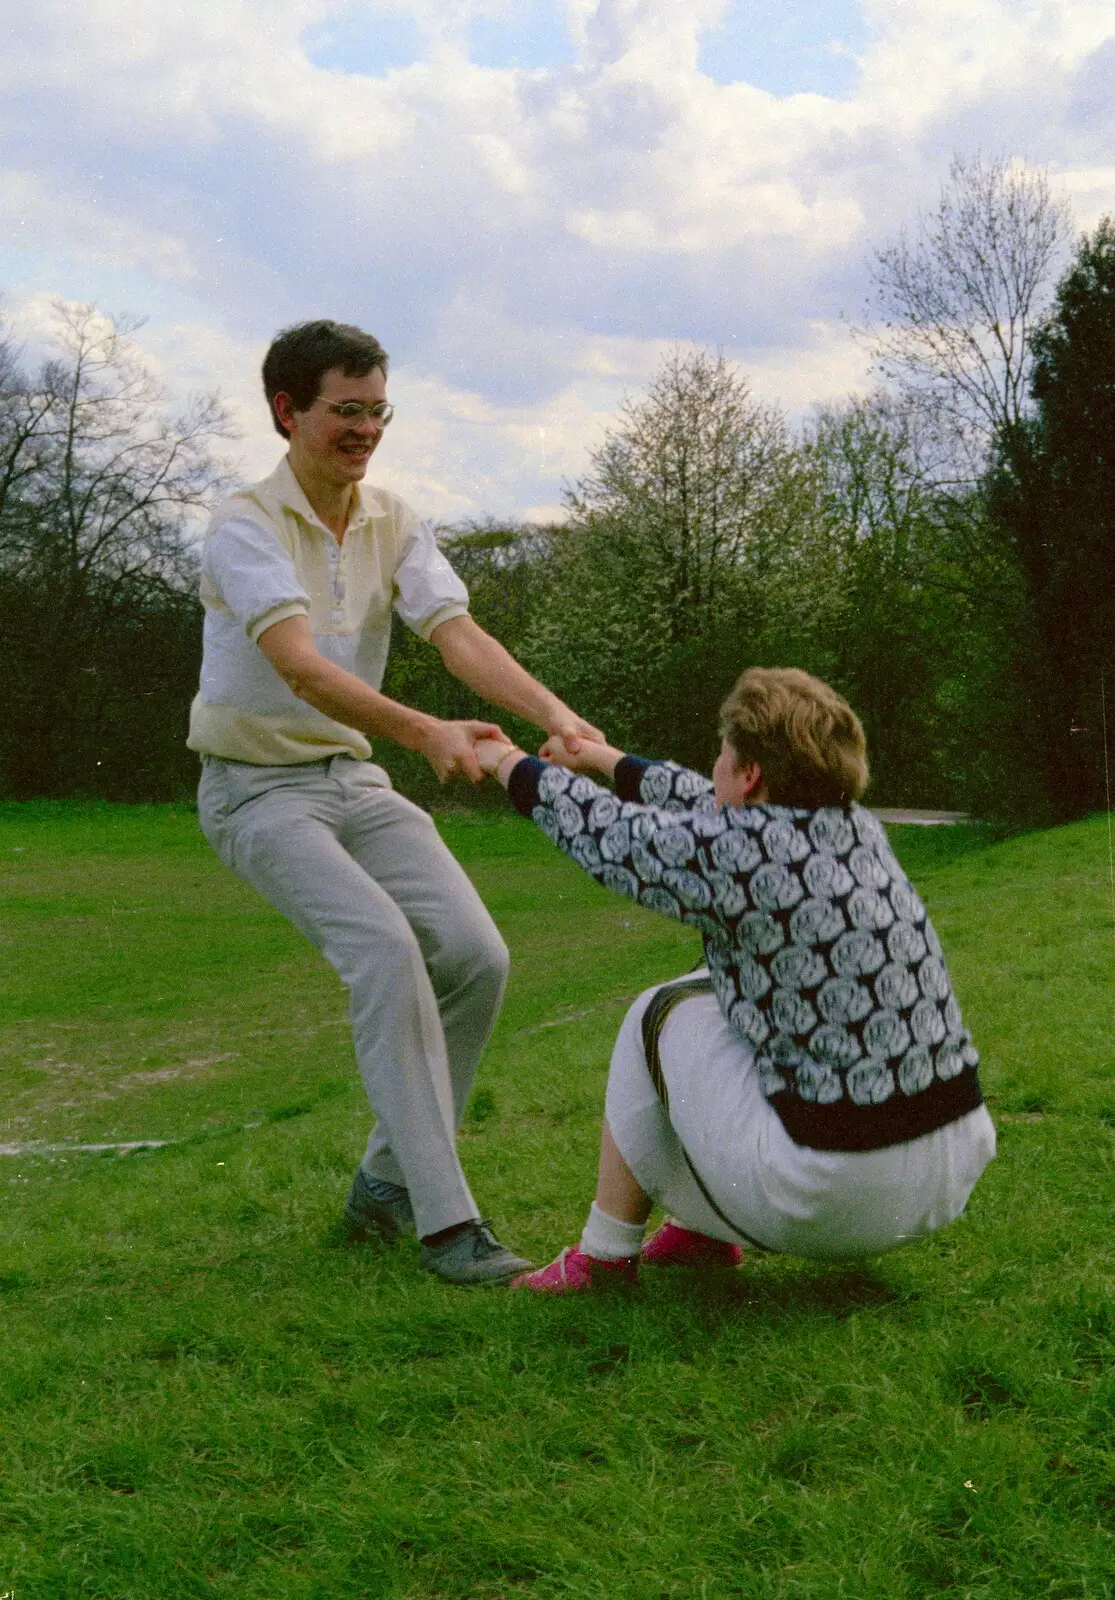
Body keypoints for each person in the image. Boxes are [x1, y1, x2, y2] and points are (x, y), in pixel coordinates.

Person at [189, 319, 603, 1286]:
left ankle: (383, 1180)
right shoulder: (243, 523)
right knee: (382, 954)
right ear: (288, 411)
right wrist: (431, 734)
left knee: (476, 957)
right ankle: (445, 1223)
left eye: (378, 412)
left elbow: (454, 632)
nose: (366, 430)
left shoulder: (394, 519)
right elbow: (297, 667)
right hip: (255, 795)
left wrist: (557, 718)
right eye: (346, 411)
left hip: (351, 784)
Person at [473, 666, 996, 1294]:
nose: (714, 767)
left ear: (750, 775)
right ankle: (702, 1236)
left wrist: (505, 761)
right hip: (949, 1166)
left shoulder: (743, 854)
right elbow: (703, 800)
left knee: (657, 1011)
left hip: (837, 1195)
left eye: (723, 754)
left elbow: (611, 836)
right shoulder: (855, 829)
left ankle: (604, 1257)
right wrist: (602, 758)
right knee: (729, 993)